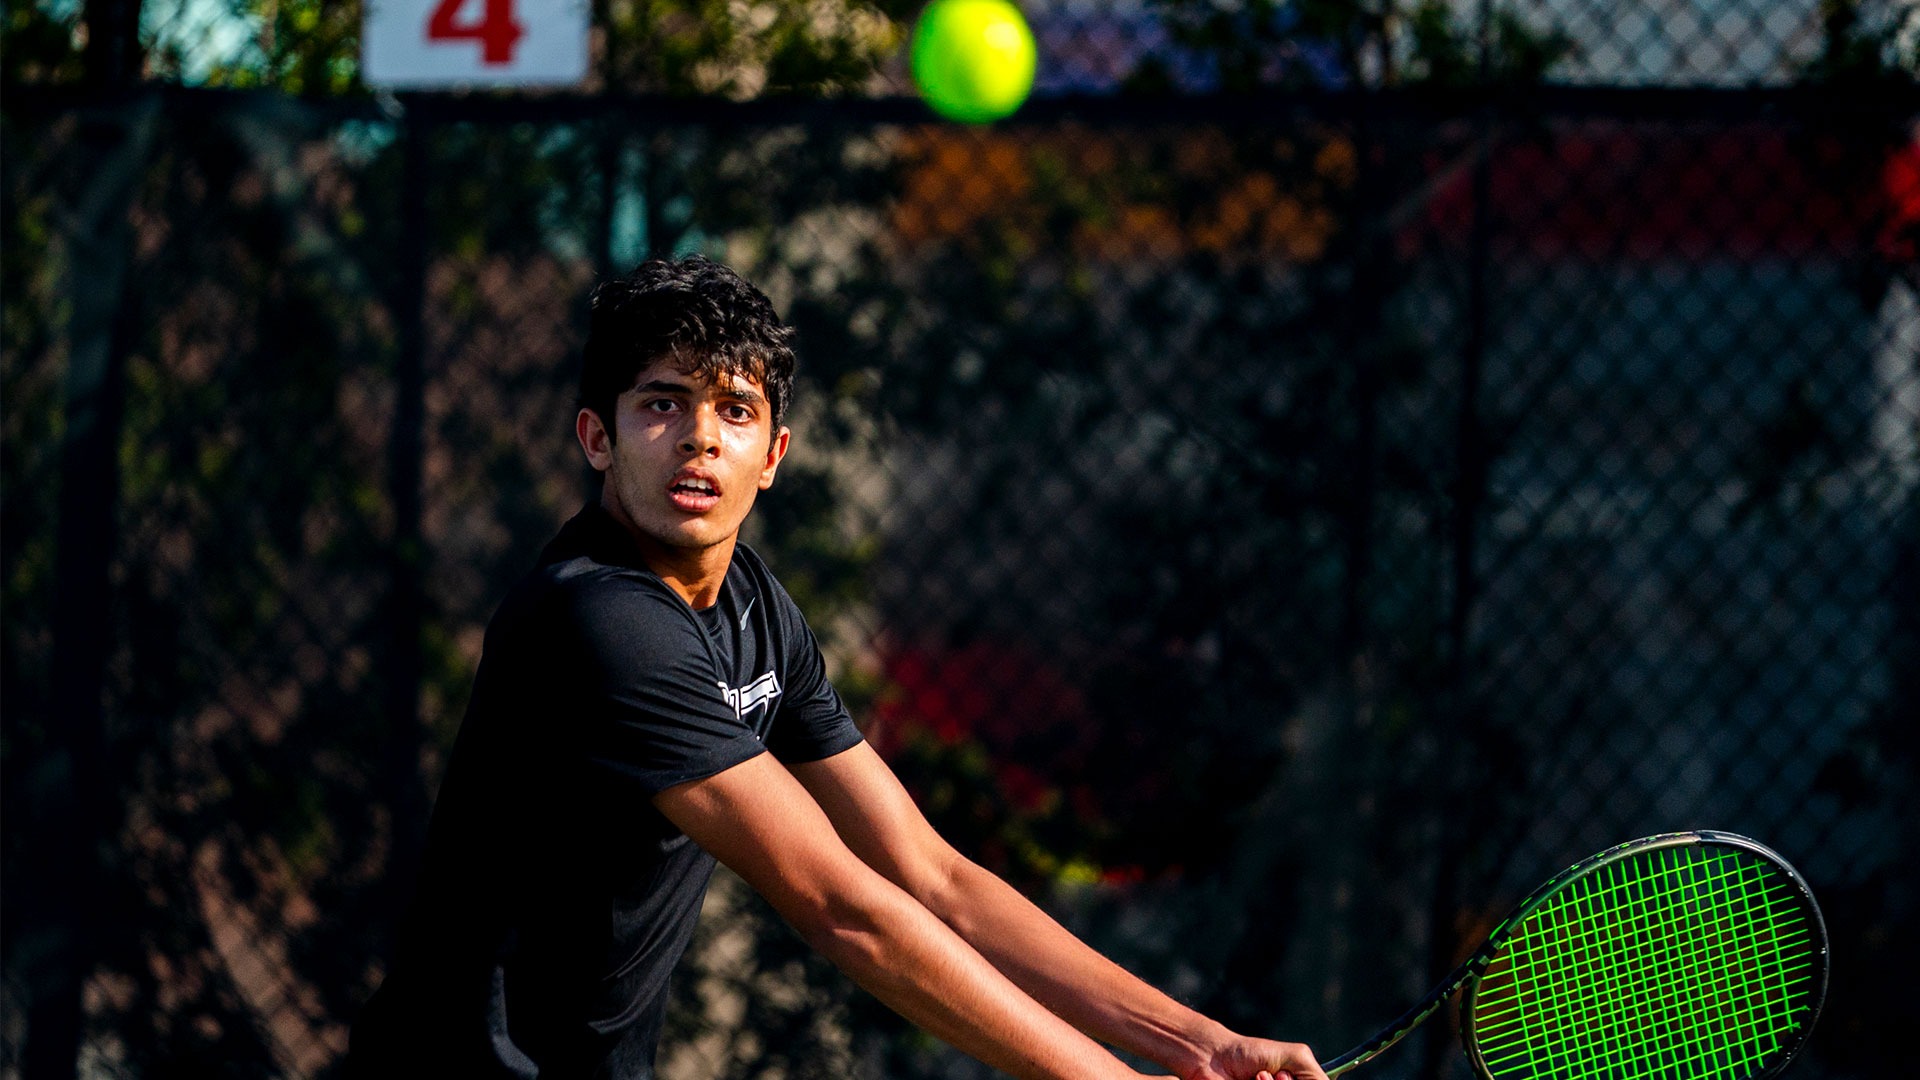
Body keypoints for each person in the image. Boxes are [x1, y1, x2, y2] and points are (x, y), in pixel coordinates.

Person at [346, 255, 1328, 1080]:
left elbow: (931, 875)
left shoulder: (753, 607)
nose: (699, 437)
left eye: (733, 409)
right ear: (596, 438)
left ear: (772, 454)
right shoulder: (597, 621)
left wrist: (1202, 1045)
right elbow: (842, 908)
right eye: (661, 403)